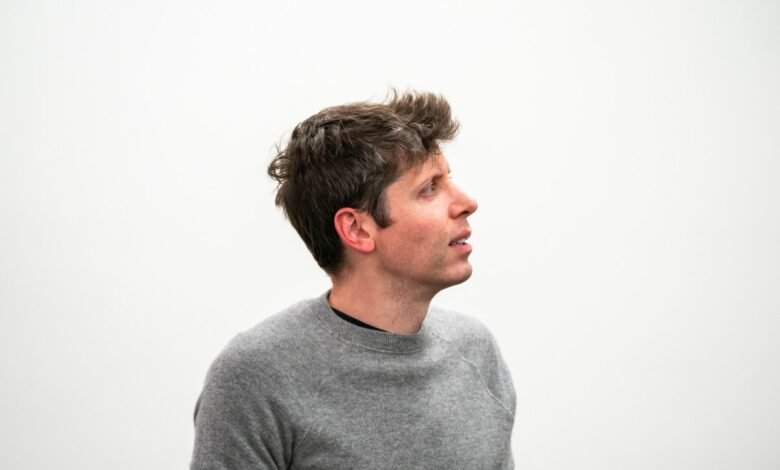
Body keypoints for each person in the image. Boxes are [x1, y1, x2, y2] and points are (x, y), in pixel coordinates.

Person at [191, 91, 516, 469]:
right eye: (429, 188)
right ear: (357, 229)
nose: (466, 202)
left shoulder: (476, 353)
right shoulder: (255, 379)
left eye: (450, 180)